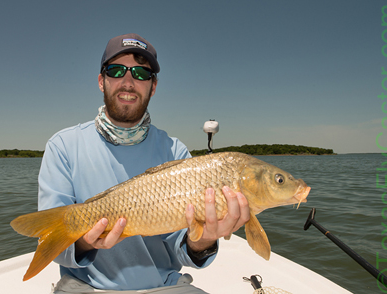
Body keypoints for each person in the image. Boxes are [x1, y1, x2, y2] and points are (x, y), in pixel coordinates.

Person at [38, 33, 250, 293]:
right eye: (116, 70)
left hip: (163, 286)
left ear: (154, 86)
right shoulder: (63, 146)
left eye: (141, 74)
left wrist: (203, 241)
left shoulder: (176, 152)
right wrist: (83, 242)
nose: (128, 82)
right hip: (85, 285)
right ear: (101, 81)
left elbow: (182, 249)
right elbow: (52, 246)